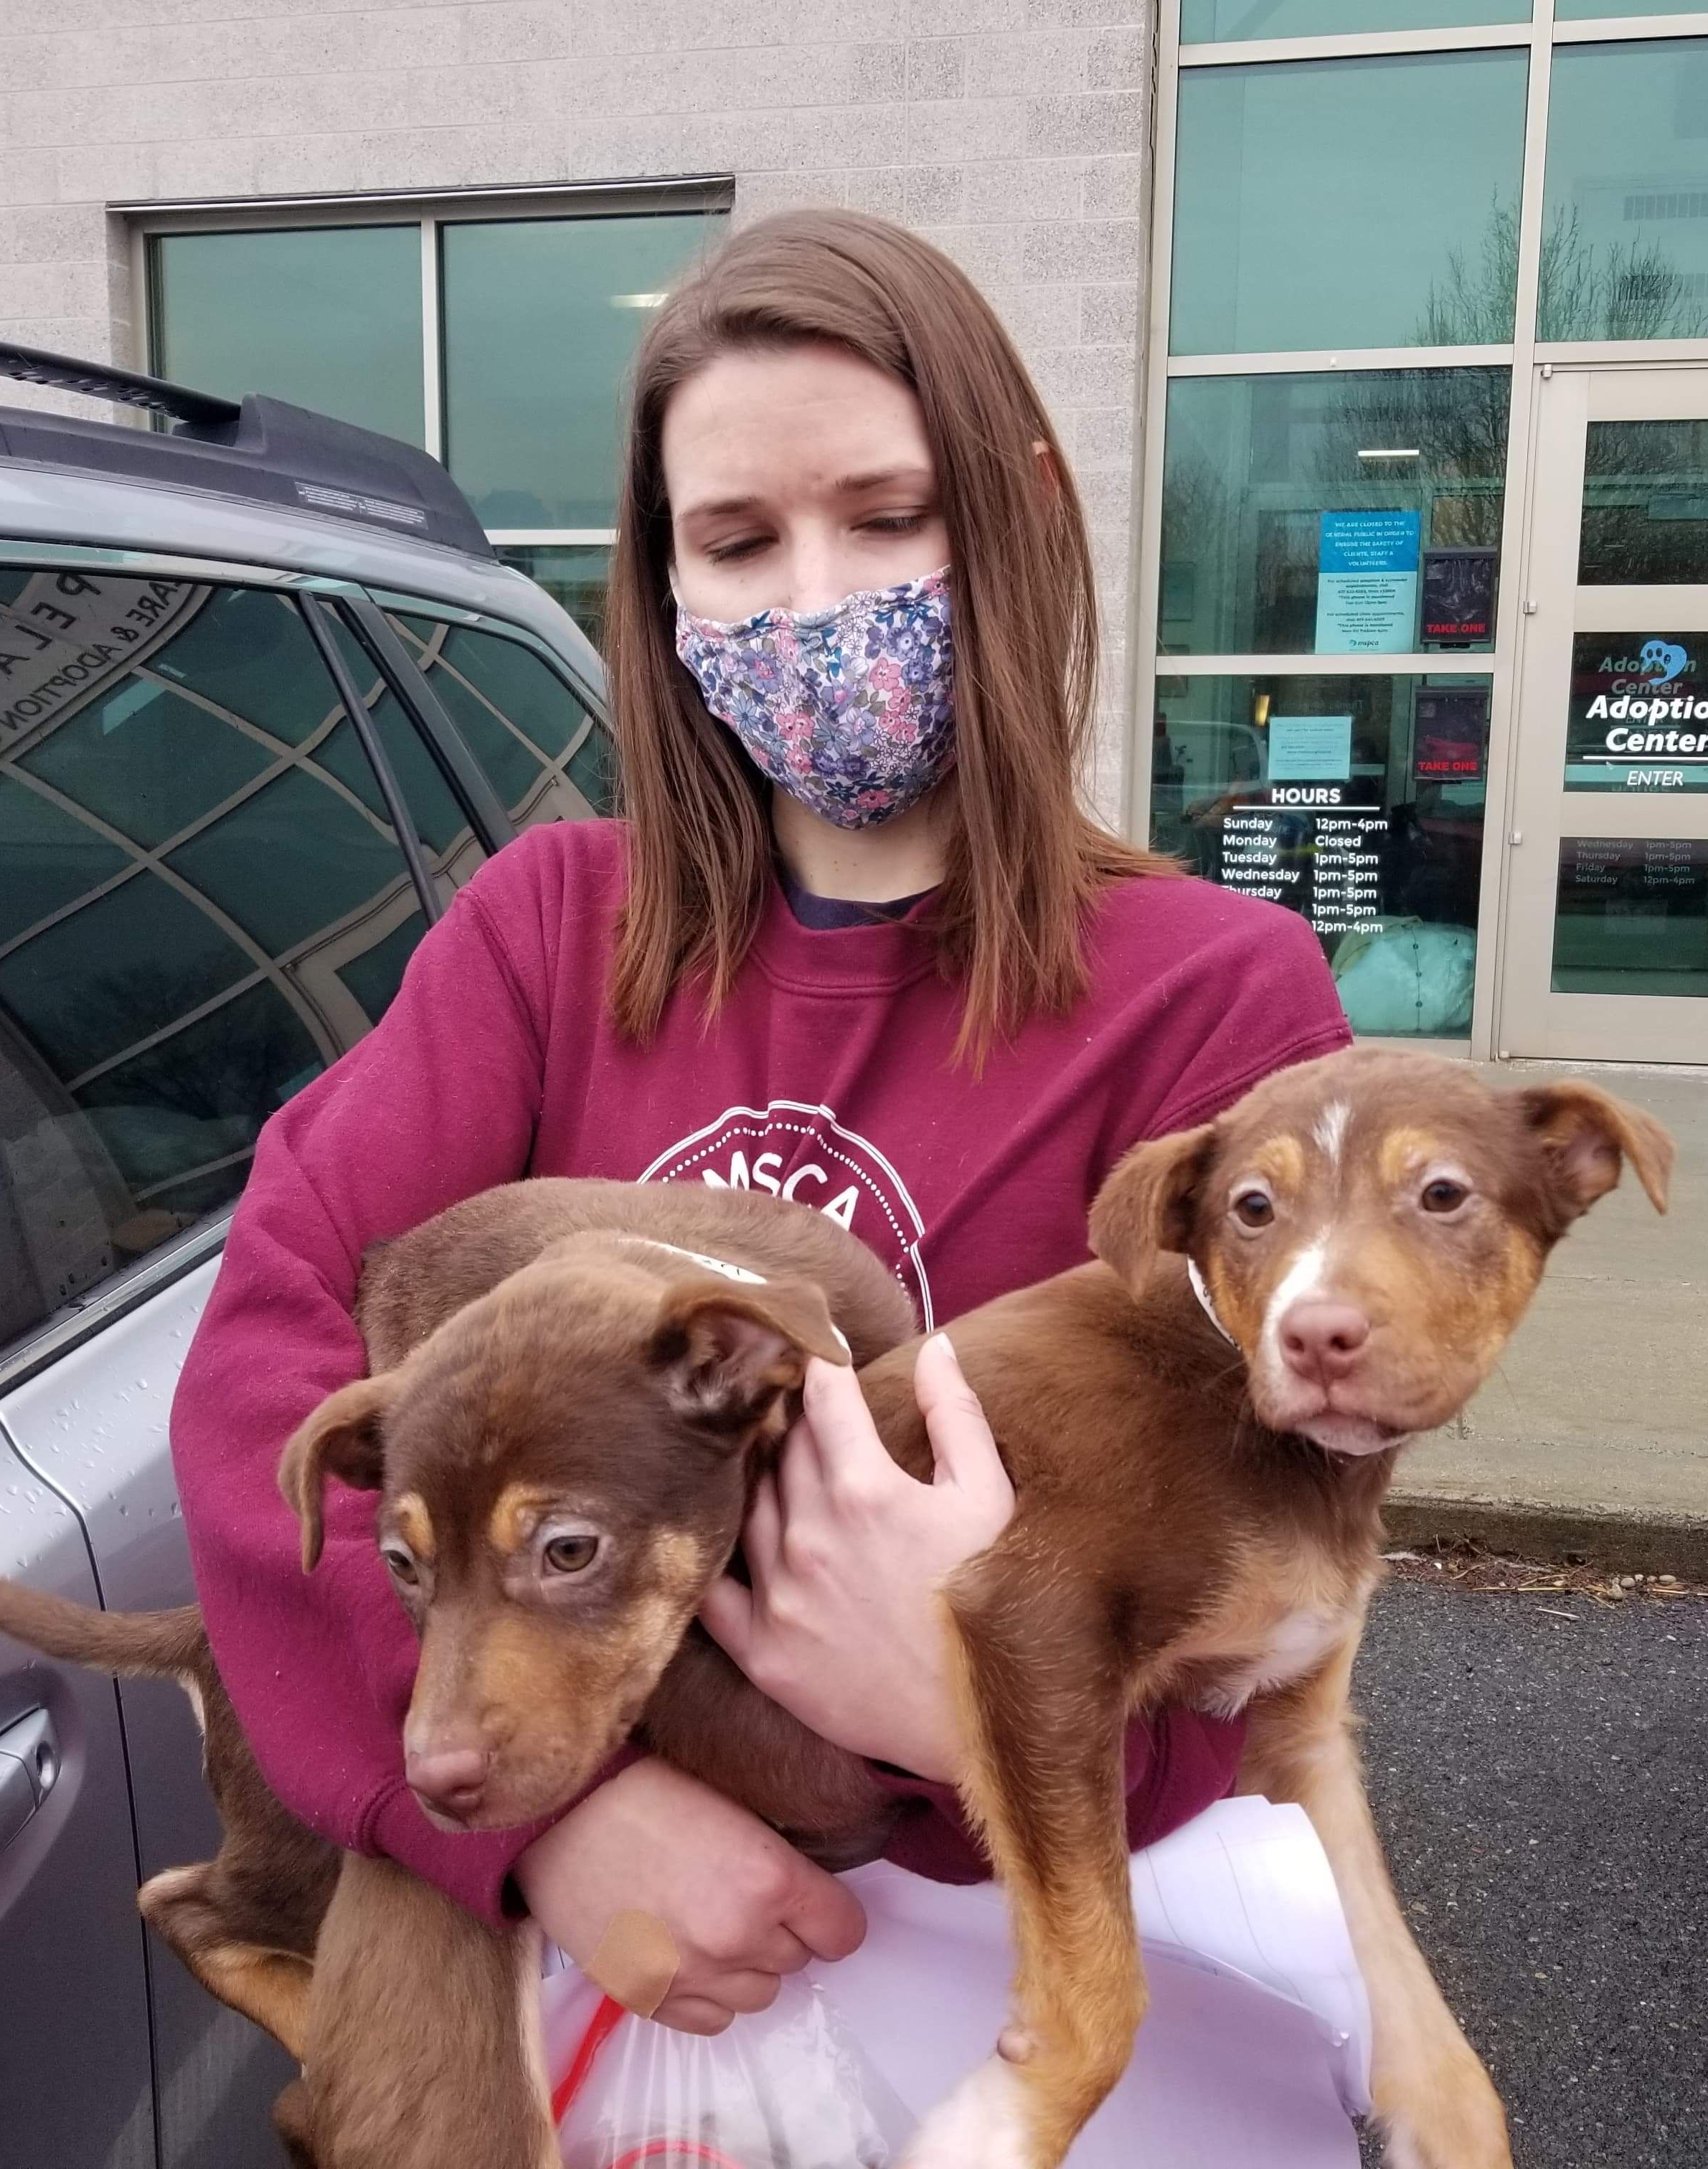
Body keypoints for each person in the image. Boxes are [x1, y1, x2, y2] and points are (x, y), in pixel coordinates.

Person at [170, 207, 1354, 2039]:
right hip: (589, 1996)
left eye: (889, 519)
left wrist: (947, 1703)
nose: (817, 597)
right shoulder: (549, 933)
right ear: (663, 587)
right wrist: (551, 1821)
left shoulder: (1218, 1000)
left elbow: (1256, 1597)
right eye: (737, 539)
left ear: (1022, 510)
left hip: (993, 2005)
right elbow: (272, 1356)